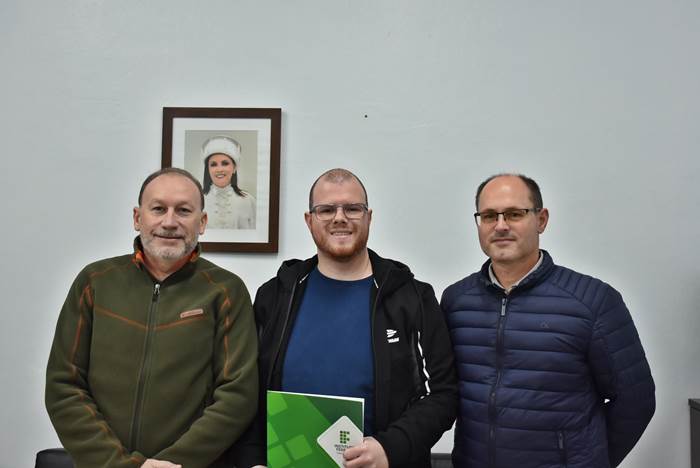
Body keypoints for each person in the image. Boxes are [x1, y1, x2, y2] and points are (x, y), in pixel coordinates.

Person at [232, 168, 458, 468]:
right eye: (326, 210)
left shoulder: (412, 297)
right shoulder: (274, 296)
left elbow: (444, 393)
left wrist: (390, 448)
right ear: (309, 220)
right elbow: (248, 390)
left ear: (368, 217)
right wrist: (253, 460)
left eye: (352, 208)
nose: (340, 218)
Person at [45, 168, 259, 468]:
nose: (169, 222)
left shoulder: (226, 291)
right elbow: (64, 386)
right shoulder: (95, 282)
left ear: (202, 222)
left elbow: (237, 396)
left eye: (183, 211)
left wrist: (171, 464)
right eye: (158, 209)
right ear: (137, 218)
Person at [441, 174, 655, 468]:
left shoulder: (593, 300)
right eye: (489, 216)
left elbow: (636, 400)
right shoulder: (456, 301)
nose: (500, 225)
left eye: (514, 214)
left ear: (541, 220)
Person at [201, 135, 256, 229]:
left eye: (225, 163)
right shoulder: (198, 201)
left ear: (234, 168)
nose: (219, 169)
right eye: (213, 165)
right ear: (208, 170)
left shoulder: (249, 201)